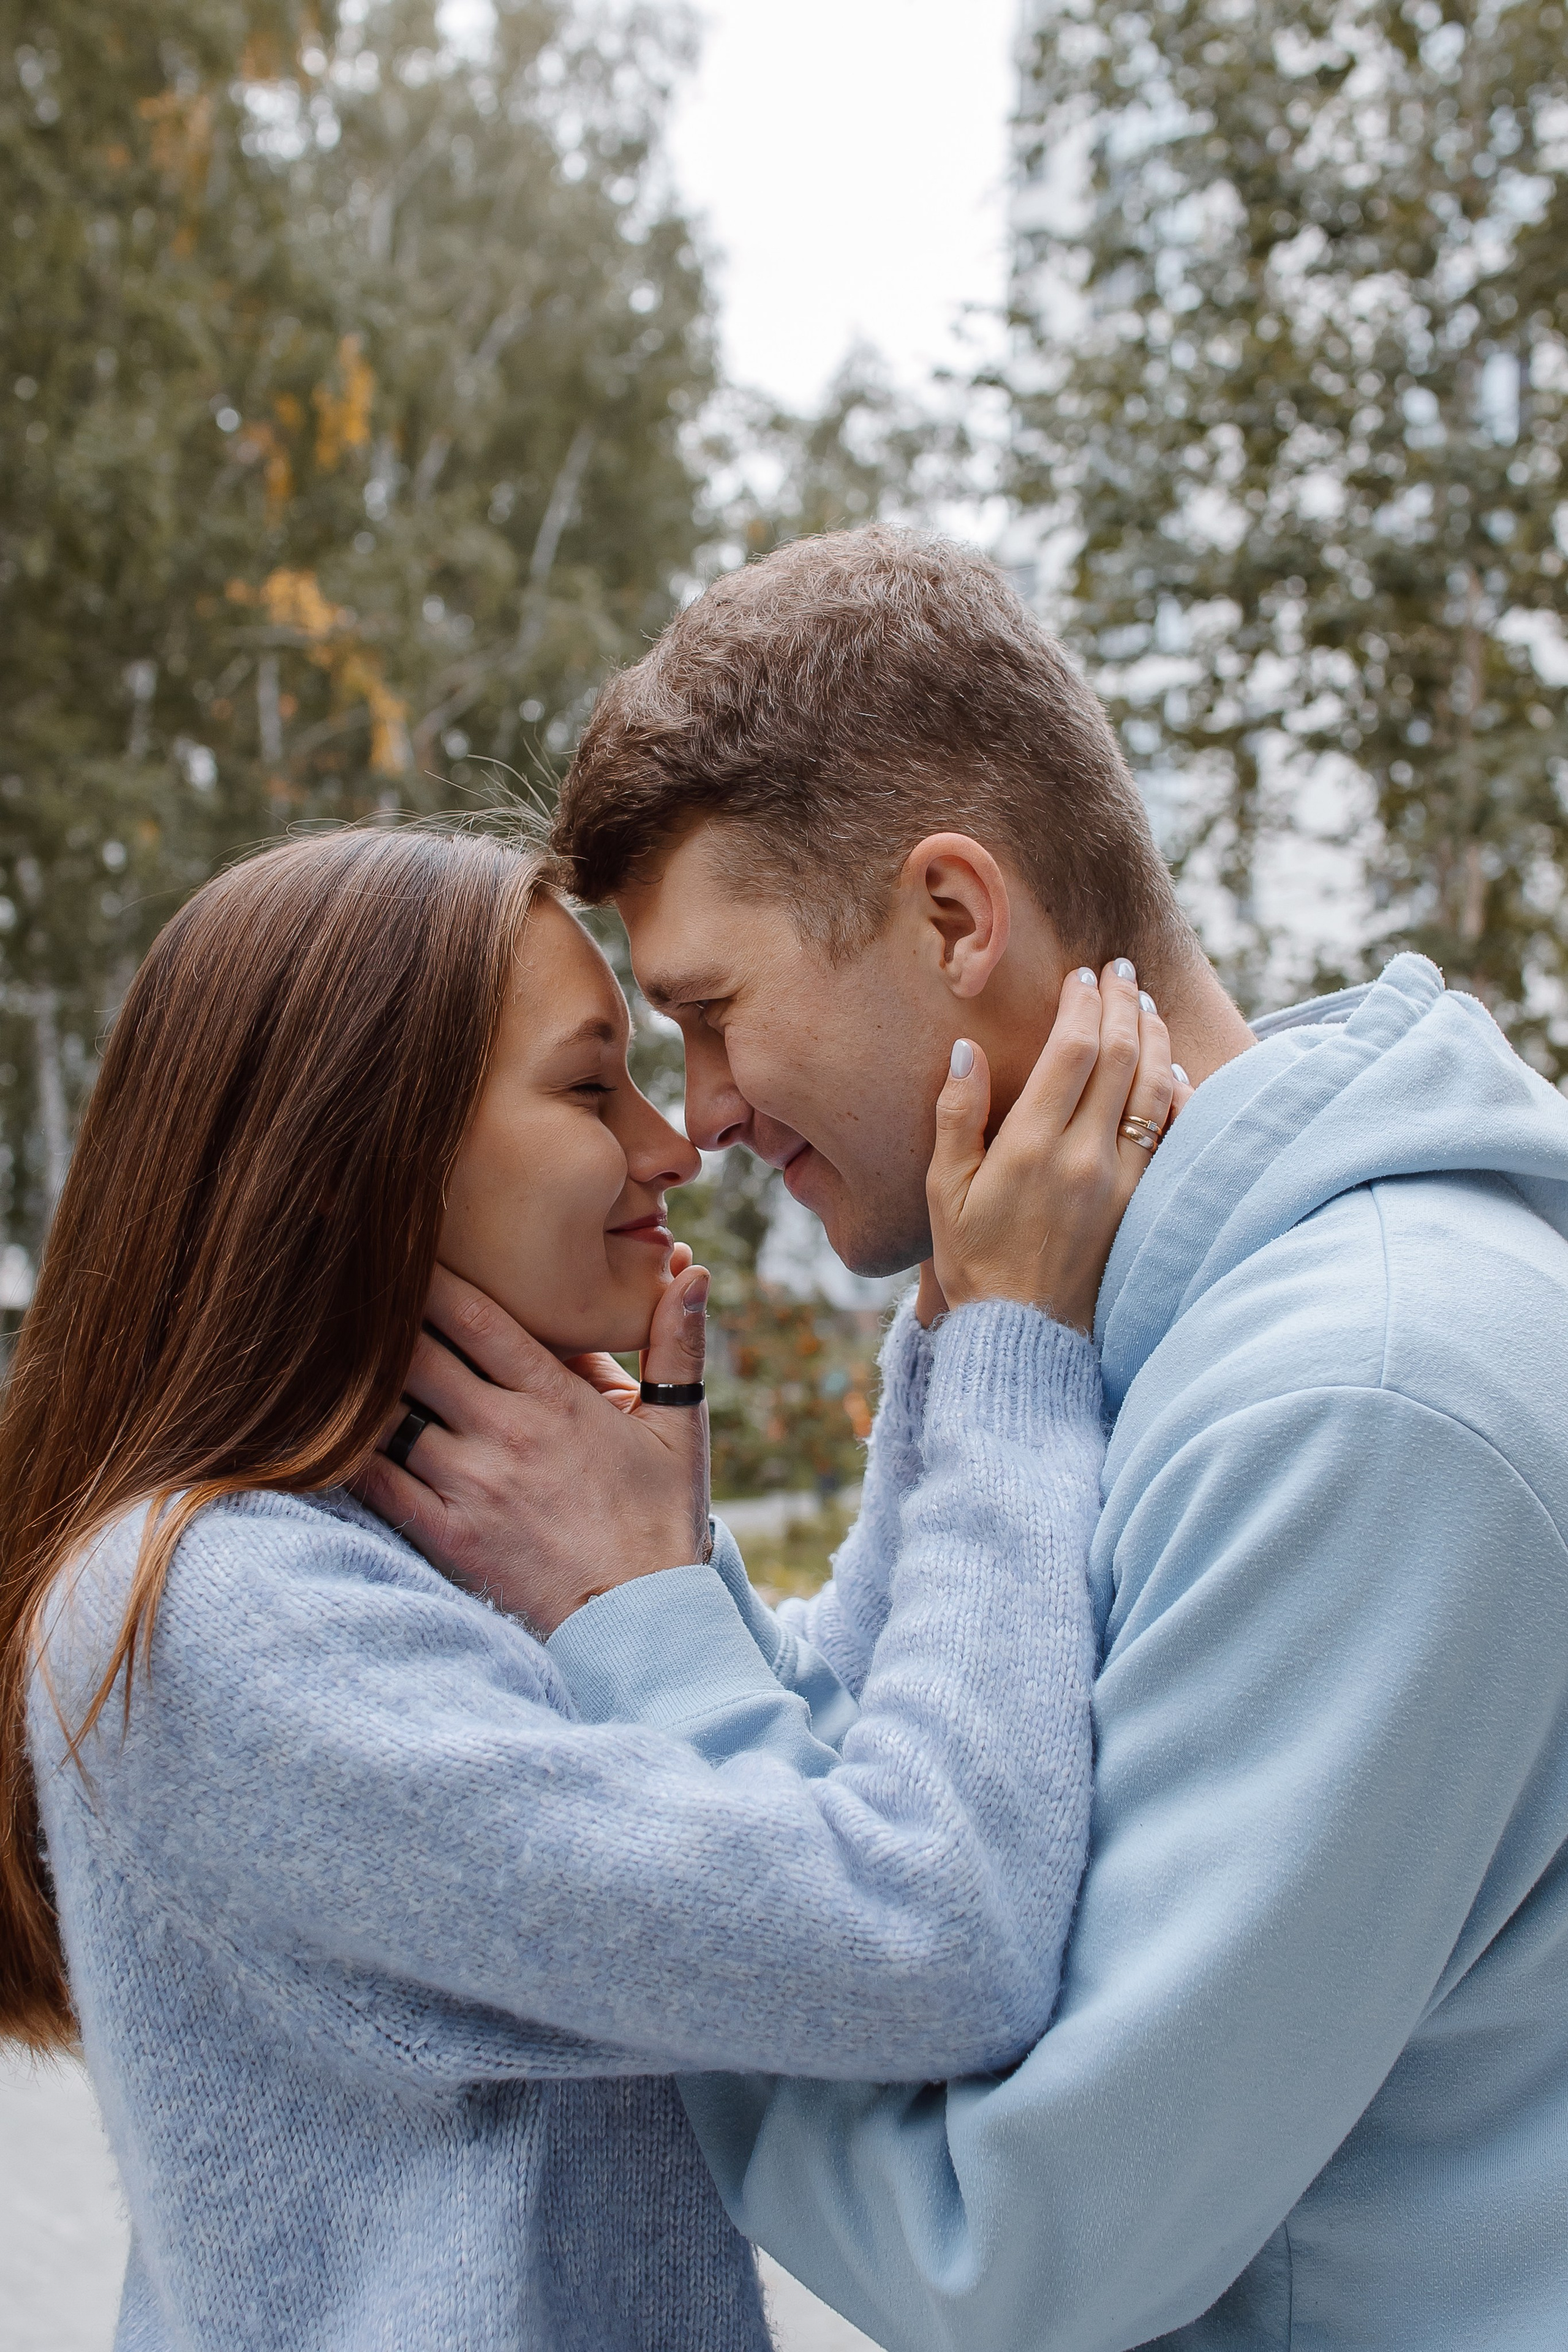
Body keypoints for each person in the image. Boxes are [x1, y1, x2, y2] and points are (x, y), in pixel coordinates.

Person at [396, 529, 1568, 2350]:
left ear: (955, 918)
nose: (696, 1119)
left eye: (710, 1015)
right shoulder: (1134, 1329)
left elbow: (1010, 2242)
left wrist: (645, 1789)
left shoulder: (1360, 1405)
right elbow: (920, 1808)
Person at [0, 823, 1172, 2351]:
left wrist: (950, 1324)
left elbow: (842, 1750)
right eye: (587, 1082)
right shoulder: (216, 1617)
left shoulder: (470, 1515)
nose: (670, 1143)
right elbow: (924, 1935)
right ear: (363, 1153)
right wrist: (1024, 1347)